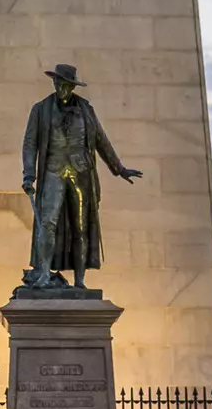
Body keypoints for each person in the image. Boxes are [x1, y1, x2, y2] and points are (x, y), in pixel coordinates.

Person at [21, 63, 142, 290]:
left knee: (81, 227)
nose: (60, 87)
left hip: (81, 173)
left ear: (72, 86)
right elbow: (30, 144)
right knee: (47, 223)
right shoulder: (41, 110)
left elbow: (100, 140)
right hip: (53, 172)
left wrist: (119, 168)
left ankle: (79, 281)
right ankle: (44, 274)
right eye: (57, 83)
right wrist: (29, 175)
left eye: (64, 84)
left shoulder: (86, 110)